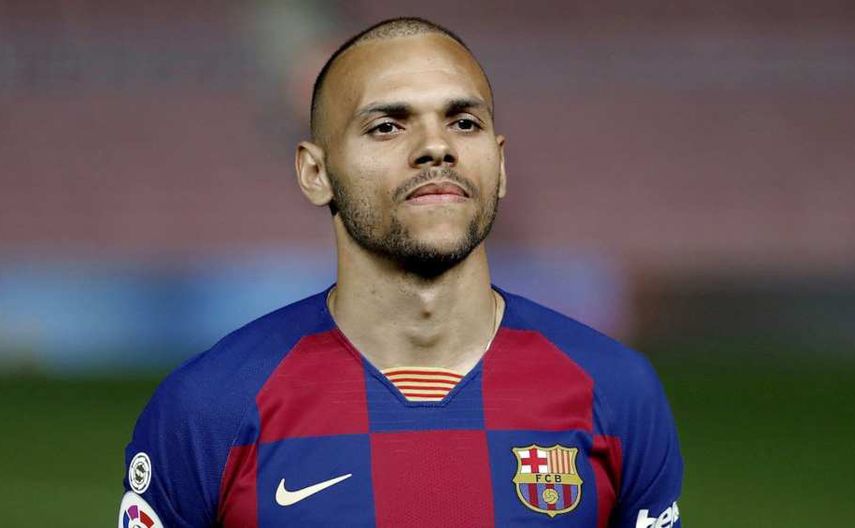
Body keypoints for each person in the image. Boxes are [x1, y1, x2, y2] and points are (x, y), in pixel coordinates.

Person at [119, 17, 682, 528]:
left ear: (501, 163)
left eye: (464, 122)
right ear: (315, 173)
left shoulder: (615, 392)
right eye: (388, 126)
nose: (436, 146)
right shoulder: (209, 408)